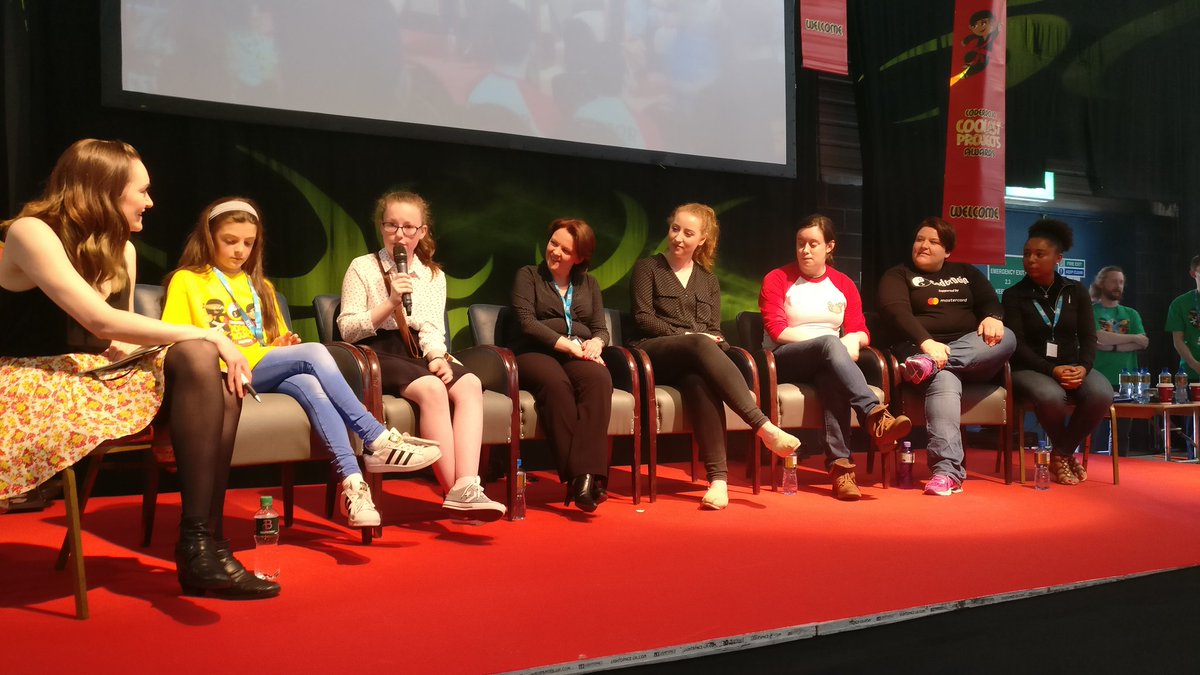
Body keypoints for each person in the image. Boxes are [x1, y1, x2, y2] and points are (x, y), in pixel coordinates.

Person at [0, 139, 276, 599]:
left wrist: (184, 353)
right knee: (200, 346)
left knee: (202, 363)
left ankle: (201, 542)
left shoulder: (122, 249)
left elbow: (121, 338)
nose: (150, 202)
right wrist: (208, 334)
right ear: (104, 189)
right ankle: (204, 548)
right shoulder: (32, 232)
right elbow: (98, 320)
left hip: (96, 375)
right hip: (35, 380)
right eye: (142, 190)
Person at [163, 197, 447, 529]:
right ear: (209, 238)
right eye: (230, 241)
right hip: (219, 371)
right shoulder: (187, 279)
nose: (240, 250)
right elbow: (175, 337)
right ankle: (376, 437)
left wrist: (280, 345)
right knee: (314, 353)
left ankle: (353, 486)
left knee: (310, 382)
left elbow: (267, 341)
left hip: (258, 368)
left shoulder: (260, 287)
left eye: (248, 243)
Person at [338, 191, 506, 521]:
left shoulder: (432, 275)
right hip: (375, 351)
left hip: (416, 350)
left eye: (408, 227)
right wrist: (390, 303)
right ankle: (454, 491)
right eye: (391, 225)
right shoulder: (363, 267)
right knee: (432, 388)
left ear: (422, 232)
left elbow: (429, 327)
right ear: (381, 226)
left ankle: (467, 485)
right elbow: (347, 329)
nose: (399, 235)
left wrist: (438, 356)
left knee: (469, 383)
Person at [630, 203, 801, 509]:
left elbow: (713, 330)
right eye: (675, 229)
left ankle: (718, 482)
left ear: (702, 240)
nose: (678, 237)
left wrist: (706, 340)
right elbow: (643, 318)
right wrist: (687, 337)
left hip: (694, 359)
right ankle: (762, 425)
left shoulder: (708, 280)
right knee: (698, 343)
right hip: (654, 353)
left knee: (699, 381)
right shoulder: (648, 268)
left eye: (688, 233)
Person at [758, 214, 912, 500]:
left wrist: (851, 341)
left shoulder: (843, 283)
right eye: (800, 243)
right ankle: (874, 415)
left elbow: (861, 331)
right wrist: (834, 345)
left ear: (829, 246)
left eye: (813, 244)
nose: (805, 250)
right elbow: (778, 330)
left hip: (828, 360)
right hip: (784, 359)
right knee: (830, 345)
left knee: (833, 378)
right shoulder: (777, 278)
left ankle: (842, 471)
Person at [877, 217, 1016, 496]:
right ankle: (946, 473)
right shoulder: (898, 275)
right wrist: (927, 343)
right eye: (919, 239)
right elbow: (896, 312)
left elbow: (990, 300)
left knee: (1008, 336)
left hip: (970, 354)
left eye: (933, 241)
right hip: (921, 349)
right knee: (945, 379)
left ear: (948, 251)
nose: (923, 245)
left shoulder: (967, 273)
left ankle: (932, 365)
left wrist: (993, 317)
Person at [509, 218, 612, 512]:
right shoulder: (528, 275)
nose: (555, 252)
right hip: (534, 350)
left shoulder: (589, 284)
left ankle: (584, 478)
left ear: (579, 257)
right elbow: (526, 323)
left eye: (565, 250)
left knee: (599, 379)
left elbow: (599, 328)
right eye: (553, 243)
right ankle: (584, 479)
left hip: (576, 351)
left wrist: (597, 343)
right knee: (556, 385)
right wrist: (568, 345)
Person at [1002, 219, 1110, 484]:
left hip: (1072, 364)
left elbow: (1088, 336)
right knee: (1051, 396)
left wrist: (1083, 367)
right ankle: (1064, 454)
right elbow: (1017, 345)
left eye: (1040, 254)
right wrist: (1052, 370)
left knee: (1101, 393)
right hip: (1029, 368)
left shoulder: (1076, 291)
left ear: (1058, 258)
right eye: (1027, 254)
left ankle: (1060, 453)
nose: (1031, 260)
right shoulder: (1014, 295)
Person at [1090, 265, 1148, 454]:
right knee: (1089, 432)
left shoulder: (1131, 314)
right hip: (1096, 379)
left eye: (1121, 282)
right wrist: (1132, 338)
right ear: (1101, 283)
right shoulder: (1091, 311)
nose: (1118, 286)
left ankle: (1120, 468)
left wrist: (1111, 345)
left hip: (1126, 381)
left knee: (1121, 434)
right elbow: (1097, 337)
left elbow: (1143, 342)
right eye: (1114, 281)